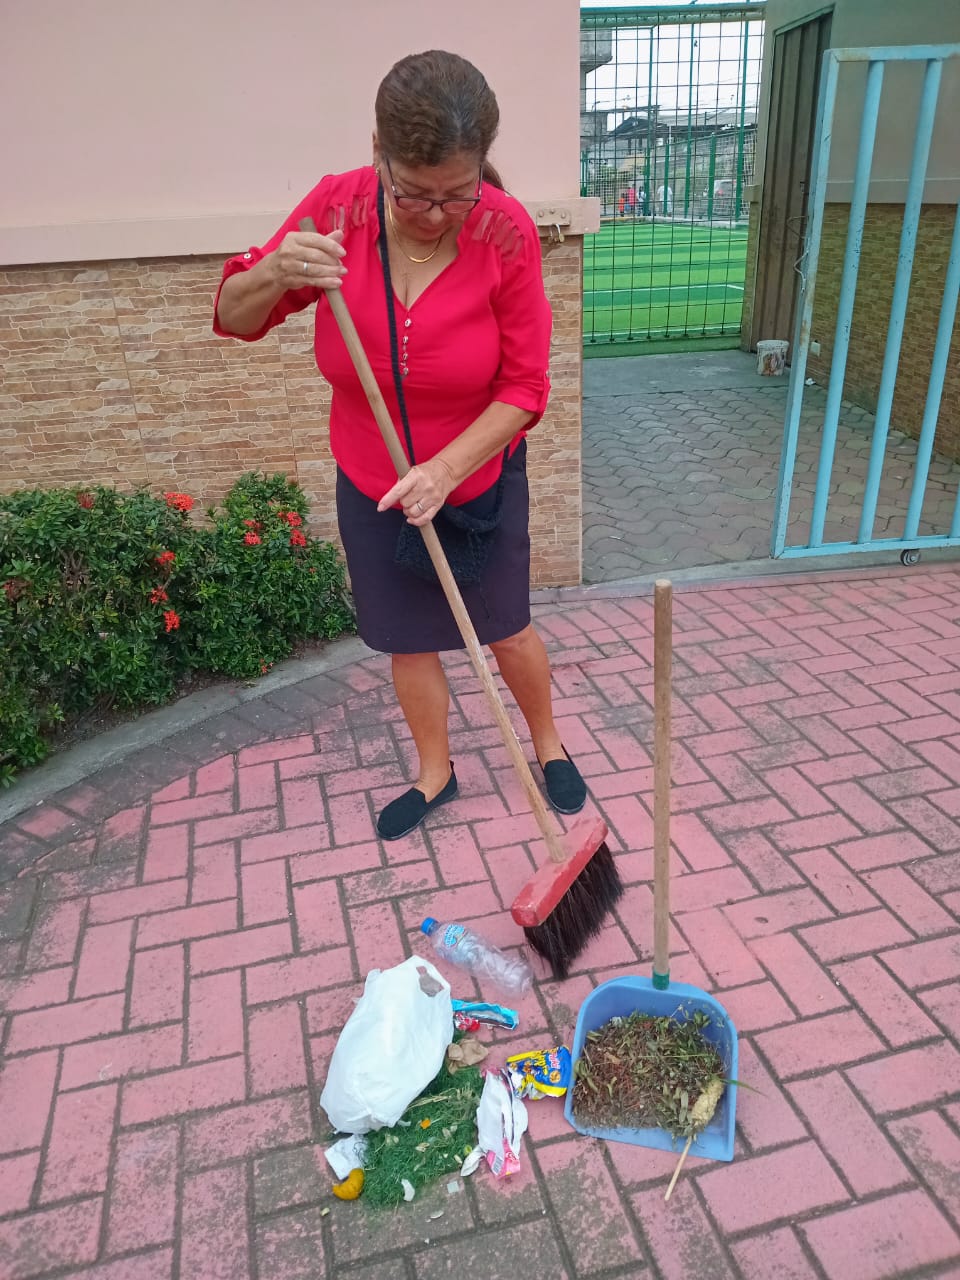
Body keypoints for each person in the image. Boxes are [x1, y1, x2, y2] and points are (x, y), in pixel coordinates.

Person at [214, 49, 587, 841]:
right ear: (378, 151)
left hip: (476, 476)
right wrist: (276, 269)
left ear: (482, 166)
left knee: (506, 625)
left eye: (458, 193)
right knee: (409, 640)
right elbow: (237, 316)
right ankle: (434, 772)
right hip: (372, 477)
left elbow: (526, 388)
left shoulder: (506, 231)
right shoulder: (335, 209)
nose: (436, 213)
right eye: (414, 192)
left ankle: (548, 744)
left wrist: (446, 469)